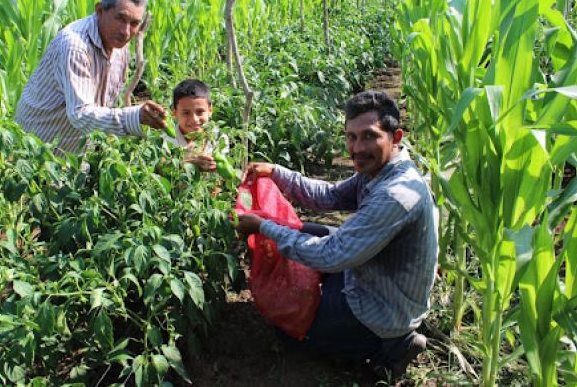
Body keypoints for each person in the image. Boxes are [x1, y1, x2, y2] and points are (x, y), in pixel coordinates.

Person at [235, 90, 438, 378]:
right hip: (374, 276)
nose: (357, 148)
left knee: (288, 332)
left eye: (369, 136)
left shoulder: (396, 195)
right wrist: (278, 172)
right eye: (351, 137)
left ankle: (391, 348)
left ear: (396, 137)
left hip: (381, 312)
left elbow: (331, 255)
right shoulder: (381, 170)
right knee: (307, 230)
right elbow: (330, 196)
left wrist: (263, 227)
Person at [14, 0, 168, 154]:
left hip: (78, 149)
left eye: (134, 23)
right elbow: (80, 114)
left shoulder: (119, 45)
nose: (126, 32)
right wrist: (134, 117)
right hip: (38, 148)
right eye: (120, 18)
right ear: (100, 10)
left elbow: (104, 103)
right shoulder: (75, 46)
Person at [163, 79, 229, 172]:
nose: (194, 119)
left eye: (200, 112)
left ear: (210, 110)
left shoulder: (218, 137)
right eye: (186, 113)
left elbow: (220, 178)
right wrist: (186, 163)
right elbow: (162, 170)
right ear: (175, 112)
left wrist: (215, 168)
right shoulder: (168, 139)